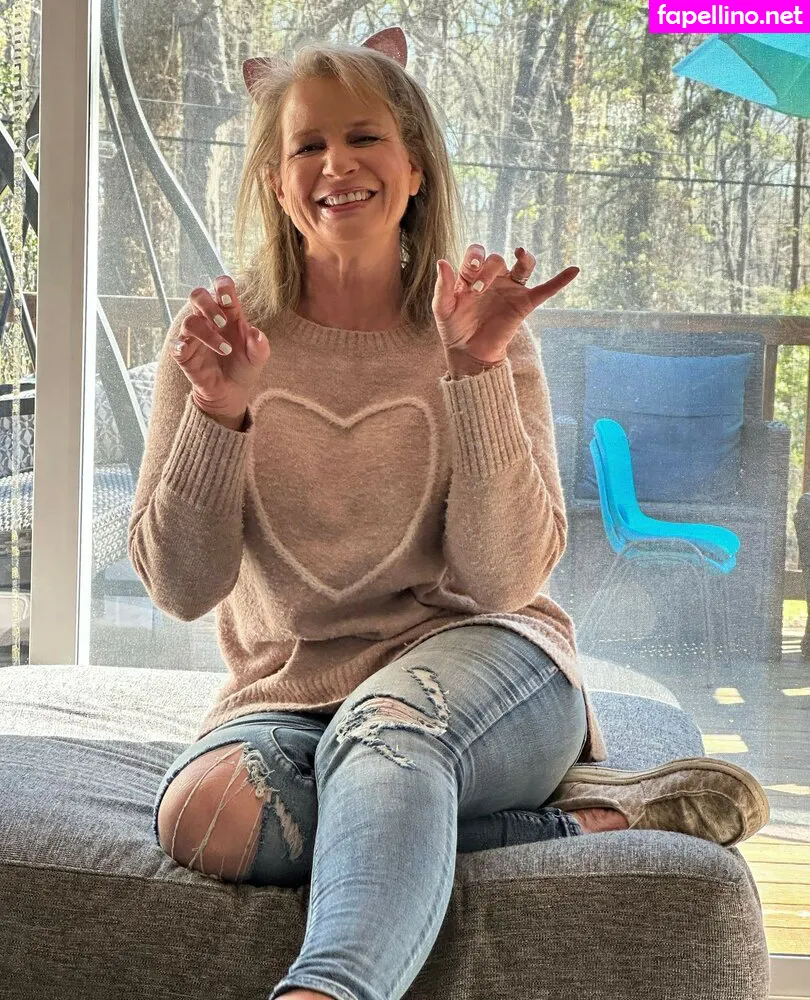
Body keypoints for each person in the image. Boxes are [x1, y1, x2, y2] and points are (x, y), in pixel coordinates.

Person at [131, 26, 769, 1000]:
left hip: (493, 662)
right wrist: (218, 418)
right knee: (205, 817)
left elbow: (504, 577)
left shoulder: (479, 326)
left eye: (365, 138)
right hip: (291, 692)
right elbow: (182, 587)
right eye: (308, 145)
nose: (337, 164)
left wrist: (474, 371)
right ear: (274, 180)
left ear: (417, 166)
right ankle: (579, 817)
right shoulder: (216, 339)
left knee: (388, 734)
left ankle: (327, 989)